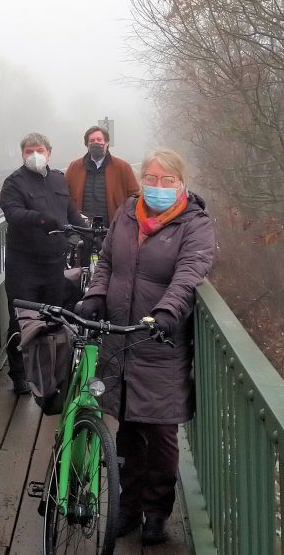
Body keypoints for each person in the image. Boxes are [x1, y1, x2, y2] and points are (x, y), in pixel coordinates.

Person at [77, 147, 215, 545]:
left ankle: (157, 512)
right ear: (142, 180)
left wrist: (168, 312)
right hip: (119, 336)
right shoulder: (128, 212)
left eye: (167, 180)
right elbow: (106, 262)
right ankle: (129, 506)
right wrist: (95, 294)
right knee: (127, 426)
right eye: (151, 178)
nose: (157, 186)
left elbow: (190, 272)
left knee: (160, 433)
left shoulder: (195, 223)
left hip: (159, 341)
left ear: (181, 183)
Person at [0, 132, 84, 394]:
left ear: (49, 152)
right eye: (28, 151)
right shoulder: (14, 182)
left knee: (55, 319)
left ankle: (52, 374)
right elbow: (12, 213)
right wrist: (40, 219)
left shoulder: (58, 178)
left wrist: (88, 234)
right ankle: (19, 374)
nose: (34, 155)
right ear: (22, 154)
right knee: (21, 321)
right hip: (23, 264)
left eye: (38, 150)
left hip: (53, 264)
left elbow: (69, 211)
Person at [64, 125, 139, 227]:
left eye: (99, 139)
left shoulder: (122, 167)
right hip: (83, 229)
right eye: (92, 140)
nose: (96, 143)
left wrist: (125, 219)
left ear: (107, 143)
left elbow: (135, 196)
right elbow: (64, 195)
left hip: (113, 228)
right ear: (87, 144)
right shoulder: (75, 167)